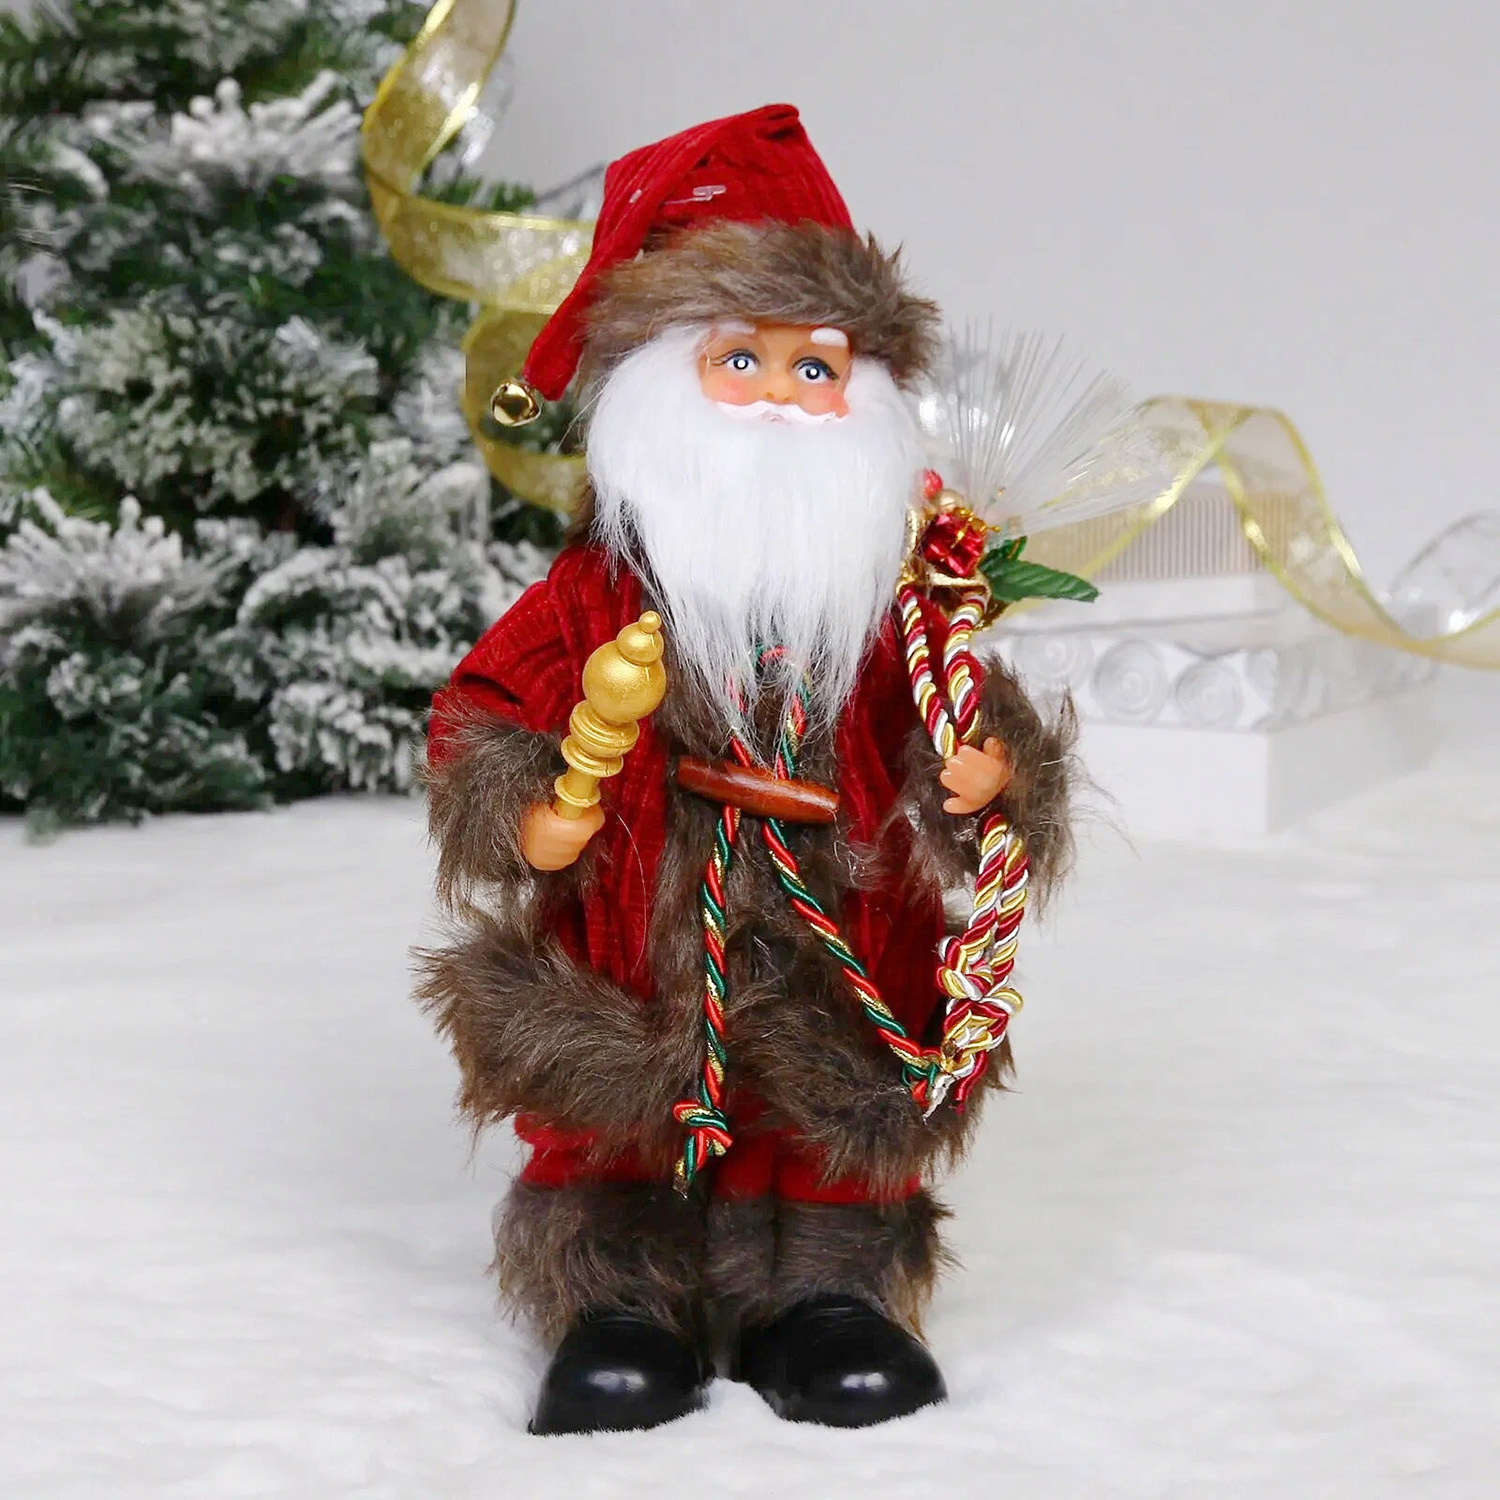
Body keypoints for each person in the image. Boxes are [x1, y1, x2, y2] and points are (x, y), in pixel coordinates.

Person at [419, 103, 1074, 1434]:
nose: (781, 395)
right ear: (659, 386)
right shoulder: (595, 598)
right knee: (619, 1100)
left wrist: (988, 773)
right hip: (636, 924)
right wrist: (530, 808)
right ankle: (619, 1300)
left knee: (831, 1103)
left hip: (843, 919)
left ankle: (824, 1298)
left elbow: (947, 717)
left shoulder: (889, 604)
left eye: (815, 366)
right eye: (738, 358)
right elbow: (488, 709)